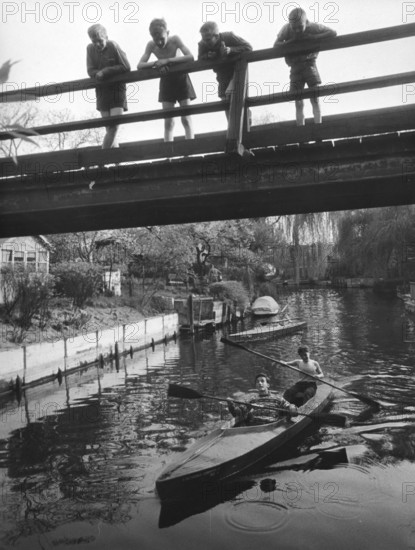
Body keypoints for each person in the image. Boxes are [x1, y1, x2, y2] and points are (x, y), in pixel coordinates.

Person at [274, 7, 337, 126]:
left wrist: (314, 38)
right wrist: (289, 42)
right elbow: (275, 45)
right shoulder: (286, 29)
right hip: (295, 67)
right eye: (294, 27)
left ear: (306, 21)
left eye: (300, 27)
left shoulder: (313, 27)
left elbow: (333, 32)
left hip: (309, 64)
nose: (297, 30)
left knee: (315, 98)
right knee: (298, 101)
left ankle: (318, 129)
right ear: (290, 24)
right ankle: (300, 133)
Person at [137, 18, 196, 142]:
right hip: (166, 81)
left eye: (161, 38)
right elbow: (140, 65)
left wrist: (168, 61)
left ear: (167, 33)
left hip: (181, 79)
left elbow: (190, 57)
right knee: (168, 120)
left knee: (186, 117)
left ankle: (189, 151)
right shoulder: (151, 45)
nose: (158, 42)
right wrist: (158, 64)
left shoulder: (175, 40)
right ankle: (168, 155)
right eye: (155, 38)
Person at [86, 24, 131, 149]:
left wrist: (105, 71)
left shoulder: (113, 46)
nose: (97, 45)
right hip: (102, 91)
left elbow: (126, 66)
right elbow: (90, 70)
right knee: (109, 128)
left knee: (114, 127)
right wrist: (97, 74)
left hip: (117, 90)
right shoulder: (89, 49)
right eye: (94, 42)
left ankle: (100, 159)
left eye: (100, 41)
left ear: (106, 37)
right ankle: (117, 163)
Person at [198, 21, 252, 118]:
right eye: (203, 39)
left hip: (236, 72)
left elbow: (248, 47)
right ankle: (231, 128)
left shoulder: (229, 37)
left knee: (234, 98)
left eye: (208, 39)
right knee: (225, 102)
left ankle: (247, 120)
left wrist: (231, 50)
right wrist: (207, 56)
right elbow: (200, 59)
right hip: (221, 76)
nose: (205, 42)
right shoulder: (202, 44)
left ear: (217, 36)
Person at [227, 372, 297, 426]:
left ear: (268, 385)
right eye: (257, 382)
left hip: (270, 427)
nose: (260, 383)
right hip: (253, 427)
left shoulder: (277, 398)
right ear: (256, 386)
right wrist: (232, 406)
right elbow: (239, 413)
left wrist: (292, 407)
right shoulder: (251, 399)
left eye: (262, 381)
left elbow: (290, 407)